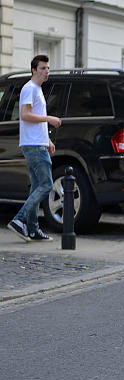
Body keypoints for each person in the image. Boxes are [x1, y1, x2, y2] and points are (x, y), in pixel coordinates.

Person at [6, 55, 62, 242]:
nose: (47, 71)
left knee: (37, 186)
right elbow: (25, 115)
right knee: (46, 185)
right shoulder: (29, 89)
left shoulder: (36, 90)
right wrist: (50, 119)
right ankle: (18, 219)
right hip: (33, 145)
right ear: (34, 70)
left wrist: (47, 140)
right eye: (43, 68)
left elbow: (34, 119)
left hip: (37, 143)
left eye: (48, 68)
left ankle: (32, 229)